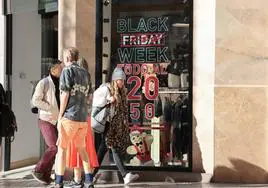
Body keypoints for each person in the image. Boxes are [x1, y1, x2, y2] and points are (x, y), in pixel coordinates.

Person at [55, 47, 95, 188]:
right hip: (83, 118)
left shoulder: (67, 71)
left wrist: (60, 116)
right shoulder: (85, 73)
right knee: (82, 149)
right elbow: (90, 96)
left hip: (69, 117)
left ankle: (58, 182)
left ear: (67, 57)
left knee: (61, 149)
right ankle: (89, 180)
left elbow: (64, 94)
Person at [92, 67, 139, 185]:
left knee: (102, 150)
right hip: (109, 125)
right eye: (120, 80)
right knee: (114, 149)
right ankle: (125, 175)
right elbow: (95, 99)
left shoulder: (122, 91)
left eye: (123, 80)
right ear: (115, 80)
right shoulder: (106, 89)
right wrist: (108, 100)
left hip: (115, 125)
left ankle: (90, 176)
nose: (122, 82)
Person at [64, 57, 99, 188]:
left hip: (75, 118)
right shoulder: (89, 83)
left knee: (75, 148)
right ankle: (88, 179)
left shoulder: (74, 84)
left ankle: (78, 179)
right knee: (86, 148)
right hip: (87, 119)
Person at [31, 60, 63, 185]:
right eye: (60, 68)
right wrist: (50, 107)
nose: (62, 70)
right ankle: (38, 170)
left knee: (56, 148)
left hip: (57, 120)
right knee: (53, 147)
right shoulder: (44, 83)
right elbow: (36, 100)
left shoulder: (61, 82)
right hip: (46, 119)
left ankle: (46, 175)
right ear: (53, 69)